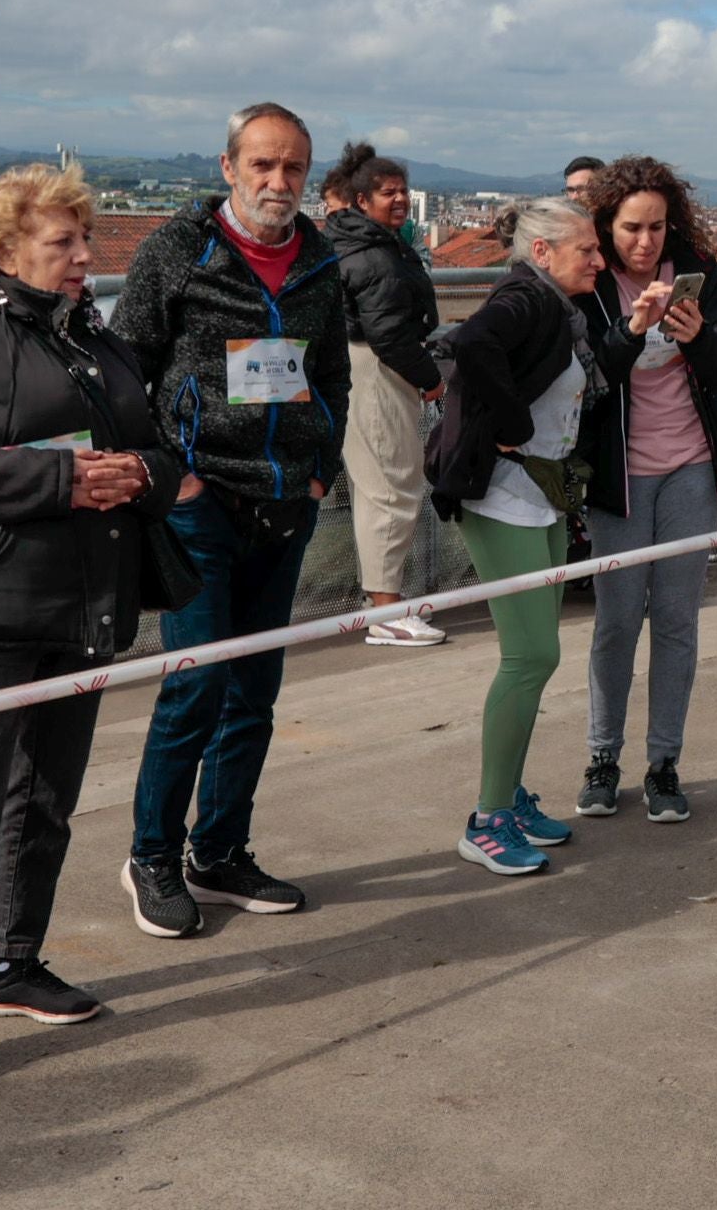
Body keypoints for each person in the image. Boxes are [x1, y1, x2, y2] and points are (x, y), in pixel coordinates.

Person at [0, 163, 181, 1105]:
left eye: (85, 241)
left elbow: (151, 446)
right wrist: (61, 483)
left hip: (85, 607)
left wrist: (146, 472)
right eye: (65, 243)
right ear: (6, 249)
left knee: (46, 797)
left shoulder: (95, 337)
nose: (86, 257)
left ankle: (8, 964)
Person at [113, 103, 351, 937]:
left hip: (285, 505)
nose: (279, 183)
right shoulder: (176, 253)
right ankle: (153, 855)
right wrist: (168, 478)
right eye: (263, 166)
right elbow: (121, 374)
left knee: (254, 691)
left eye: (293, 169)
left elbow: (332, 375)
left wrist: (321, 472)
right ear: (228, 167)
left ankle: (219, 852)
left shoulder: (320, 262)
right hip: (201, 503)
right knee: (197, 682)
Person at [426, 198, 605, 873]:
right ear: (542, 253)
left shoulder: (556, 308)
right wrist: (513, 422)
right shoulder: (528, 299)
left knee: (540, 655)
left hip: (542, 496)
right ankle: (487, 818)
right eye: (585, 248)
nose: (597, 258)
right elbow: (470, 344)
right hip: (502, 497)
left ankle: (511, 792)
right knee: (529, 657)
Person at [571, 157, 717, 822]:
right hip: (618, 475)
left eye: (656, 227)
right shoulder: (588, 282)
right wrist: (633, 329)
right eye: (631, 229)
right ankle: (601, 757)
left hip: (691, 466)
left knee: (676, 620)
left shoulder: (696, 269)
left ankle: (664, 764)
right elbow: (590, 379)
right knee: (616, 621)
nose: (645, 243)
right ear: (605, 226)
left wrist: (698, 337)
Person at [320, 142, 447, 646]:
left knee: (383, 486)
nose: (398, 199)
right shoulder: (373, 254)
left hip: (371, 367)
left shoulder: (364, 243)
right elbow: (389, 333)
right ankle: (386, 613)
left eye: (403, 191)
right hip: (377, 371)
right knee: (390, 488)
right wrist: (431, 379)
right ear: (360, 201)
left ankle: (384, 602)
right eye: (387, 192)